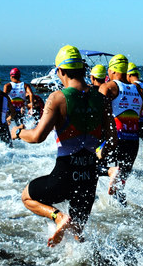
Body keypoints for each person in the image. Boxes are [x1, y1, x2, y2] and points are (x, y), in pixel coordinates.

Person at [16, 46, 110, 246]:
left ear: (61, 71)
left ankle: (58, 217)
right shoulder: (102, 99)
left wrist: (17, 132)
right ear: (83, 69)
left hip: (65, 172)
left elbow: (36, 136)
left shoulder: (58, 98)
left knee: (27, 196)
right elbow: (111, 138)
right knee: (78, 235)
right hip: (89, 173)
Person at [99, 54, 143, 204]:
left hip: (115, 138)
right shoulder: (138, 89)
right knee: (121, 182)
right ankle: (122, 208)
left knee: (92, 166)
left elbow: (99, 112)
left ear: (112, 71)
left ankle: (106, 205)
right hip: (133, 141)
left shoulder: (108, 87)